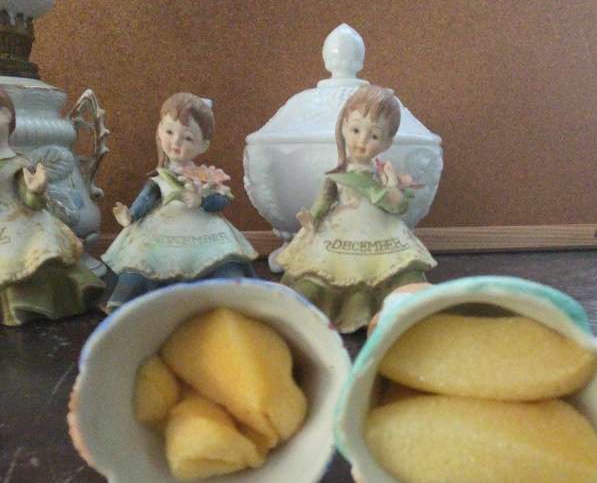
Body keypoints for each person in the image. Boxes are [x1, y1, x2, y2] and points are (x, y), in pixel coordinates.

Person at [277, 84, 436, 333]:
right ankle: (301, 309)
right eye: (355, 130)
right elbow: (325, 199)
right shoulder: (338, 175)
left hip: (380, 231)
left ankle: (401, 307)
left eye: (374, 136)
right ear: (343, 127)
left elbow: (398, 207)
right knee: (322, 275)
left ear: (387, 142)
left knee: (395, 272)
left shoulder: (382, 174)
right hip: (339, 230)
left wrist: (391, 187)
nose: (362, 141)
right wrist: (313, 217)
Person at [103, 92, 257, 310]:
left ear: (203, 145)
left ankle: (224, 296)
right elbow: (148, 197)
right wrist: (131, 215)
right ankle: (134, 300)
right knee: (145, 257)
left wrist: (202, 201)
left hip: (202, 228)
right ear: (159, 131)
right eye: (169, 132)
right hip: (161, 225)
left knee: (218, 261)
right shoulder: (160, 178)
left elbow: (222, 200)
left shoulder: (205, 176)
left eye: (188, 138)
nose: (175, 142)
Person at [0, 85, 103, 326]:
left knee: (26, 255)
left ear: (7, 117)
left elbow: (30, 201)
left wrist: (35, 190)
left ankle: (23, 305)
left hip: (17, 220)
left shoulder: (17, 163)